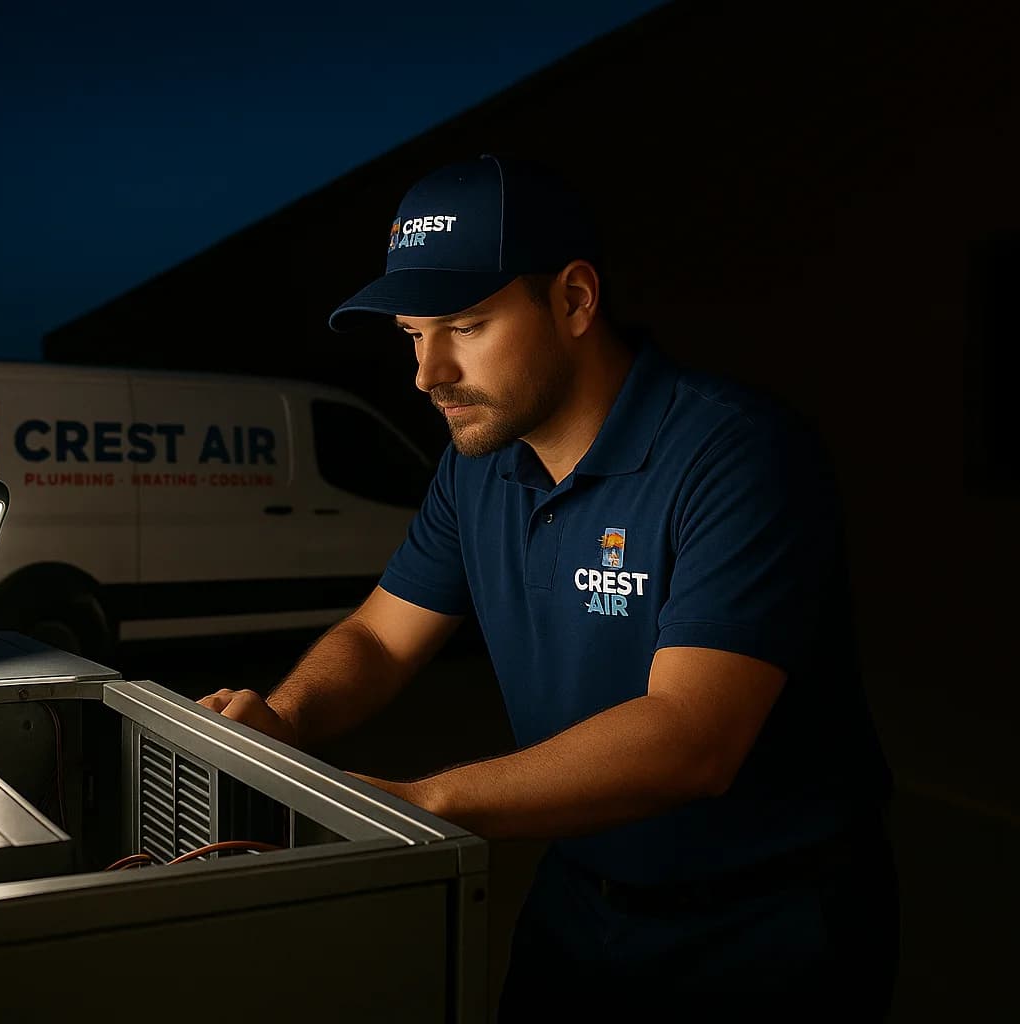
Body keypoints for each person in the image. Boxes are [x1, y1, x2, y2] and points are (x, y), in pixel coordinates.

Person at [198, 154, 898, 1019]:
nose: (428, 374)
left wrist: (424, 805)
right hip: (579, 896)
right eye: (413, 335)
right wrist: (286, 718)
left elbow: (693, 735)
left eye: (465, 324)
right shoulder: (479, 466)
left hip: (764, 927)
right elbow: (381, 636)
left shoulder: (736, 453)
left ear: (573, 300)